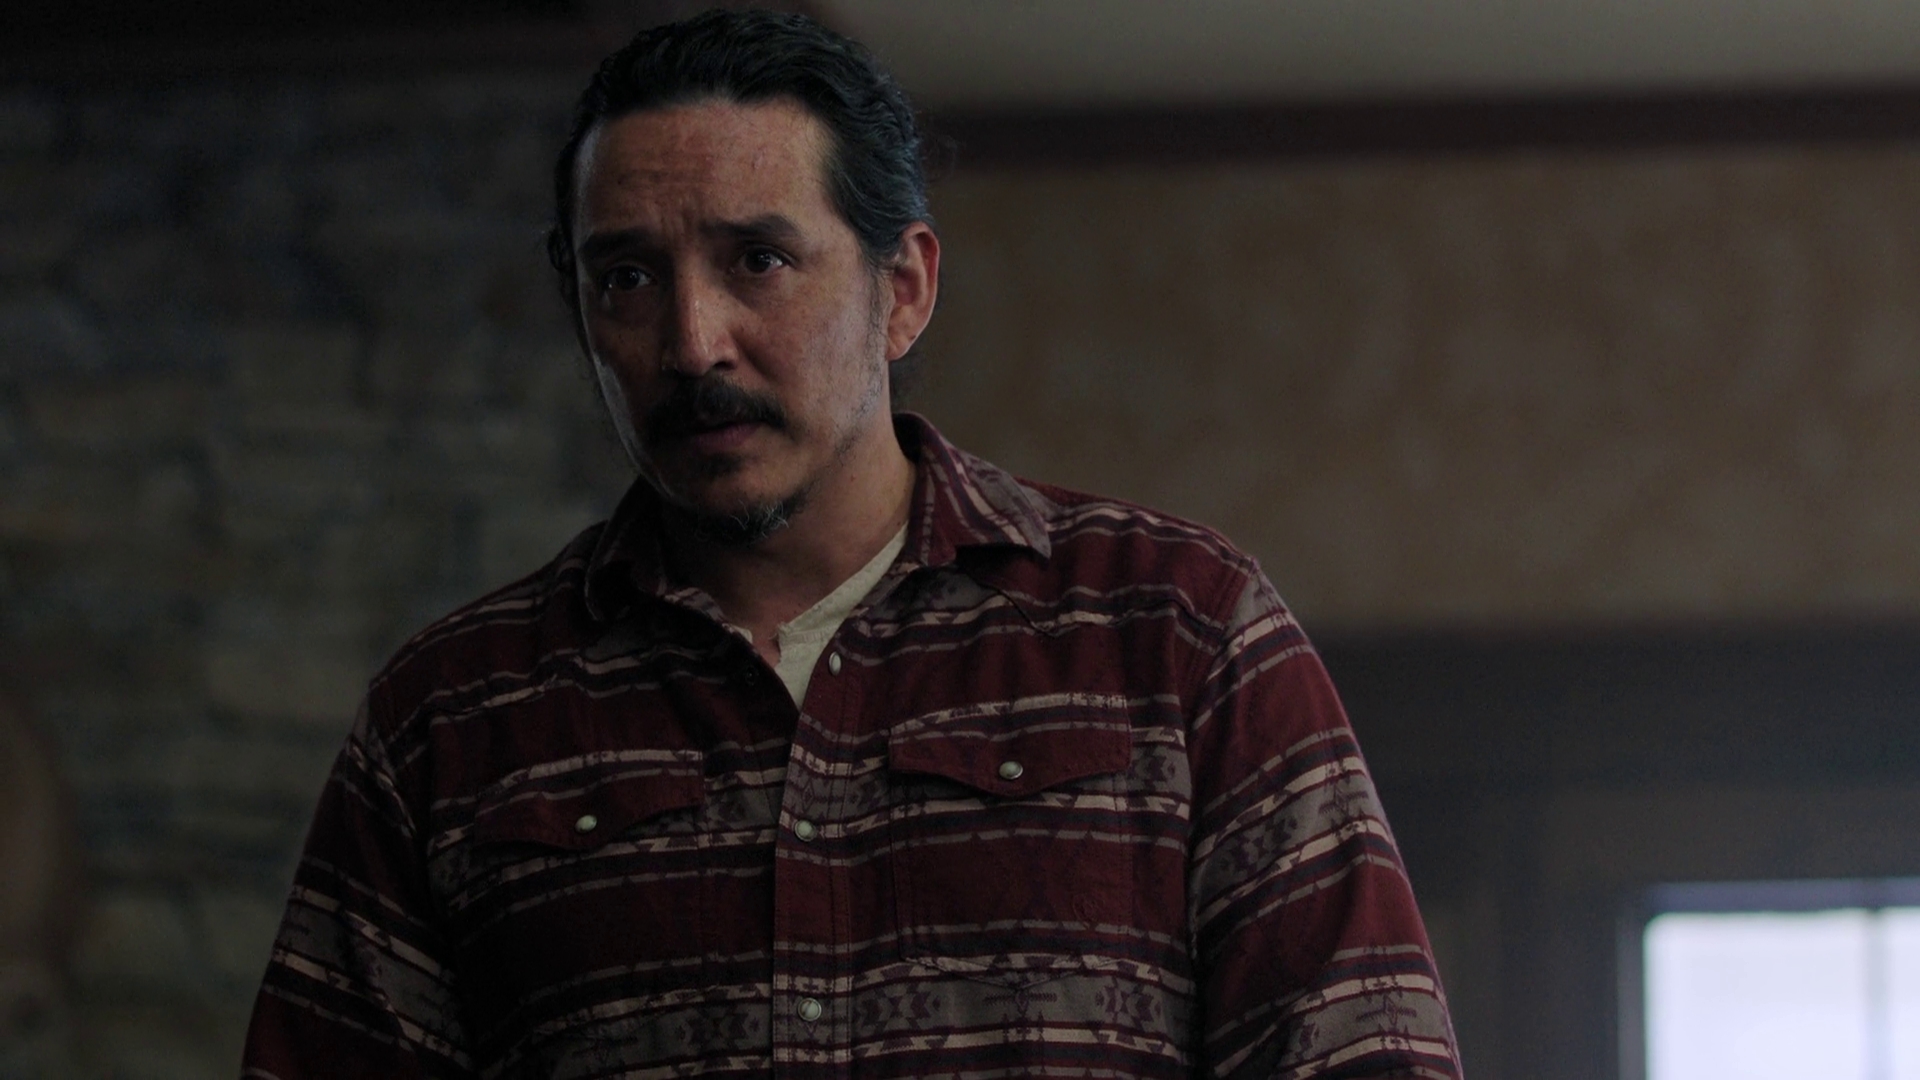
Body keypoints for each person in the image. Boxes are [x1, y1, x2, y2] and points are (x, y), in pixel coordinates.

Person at [240, 9, 1461, 1079]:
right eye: (628, 278)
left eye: (759, 260)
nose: (693, 342)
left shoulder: (1176, 630)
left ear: (905, 289)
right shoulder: (452, 718)